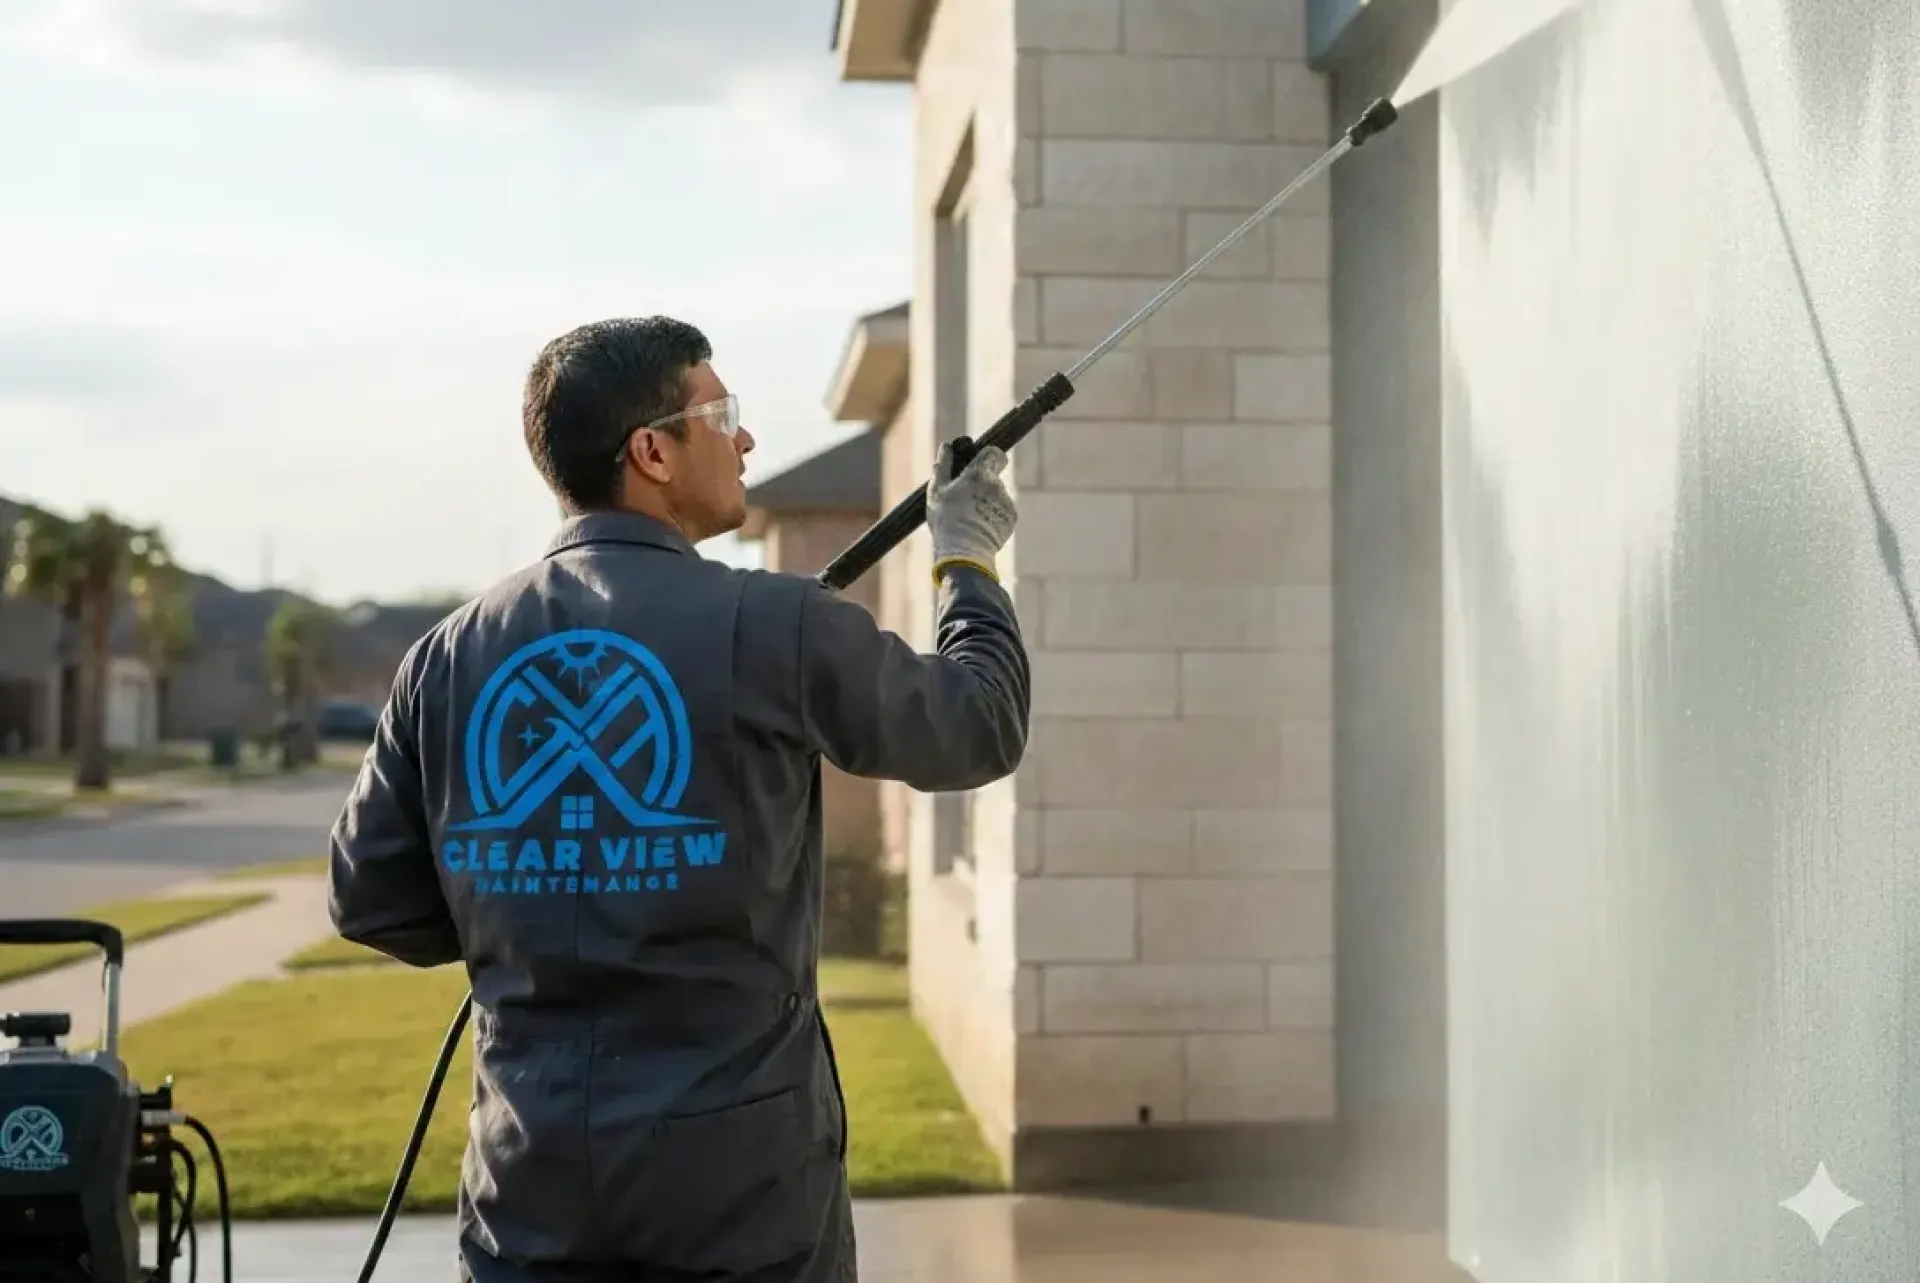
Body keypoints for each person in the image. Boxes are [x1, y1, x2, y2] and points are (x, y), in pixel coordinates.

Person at [325, 315, 1029, 1282]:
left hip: (528, 1182)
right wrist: (968, 556)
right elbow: (978, 722)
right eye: (721, 414)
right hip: (739, 1196)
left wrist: (534, 905)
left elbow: (369, 898)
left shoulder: (446, 655)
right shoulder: (777, 621)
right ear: (651, 451)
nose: (744, 439)